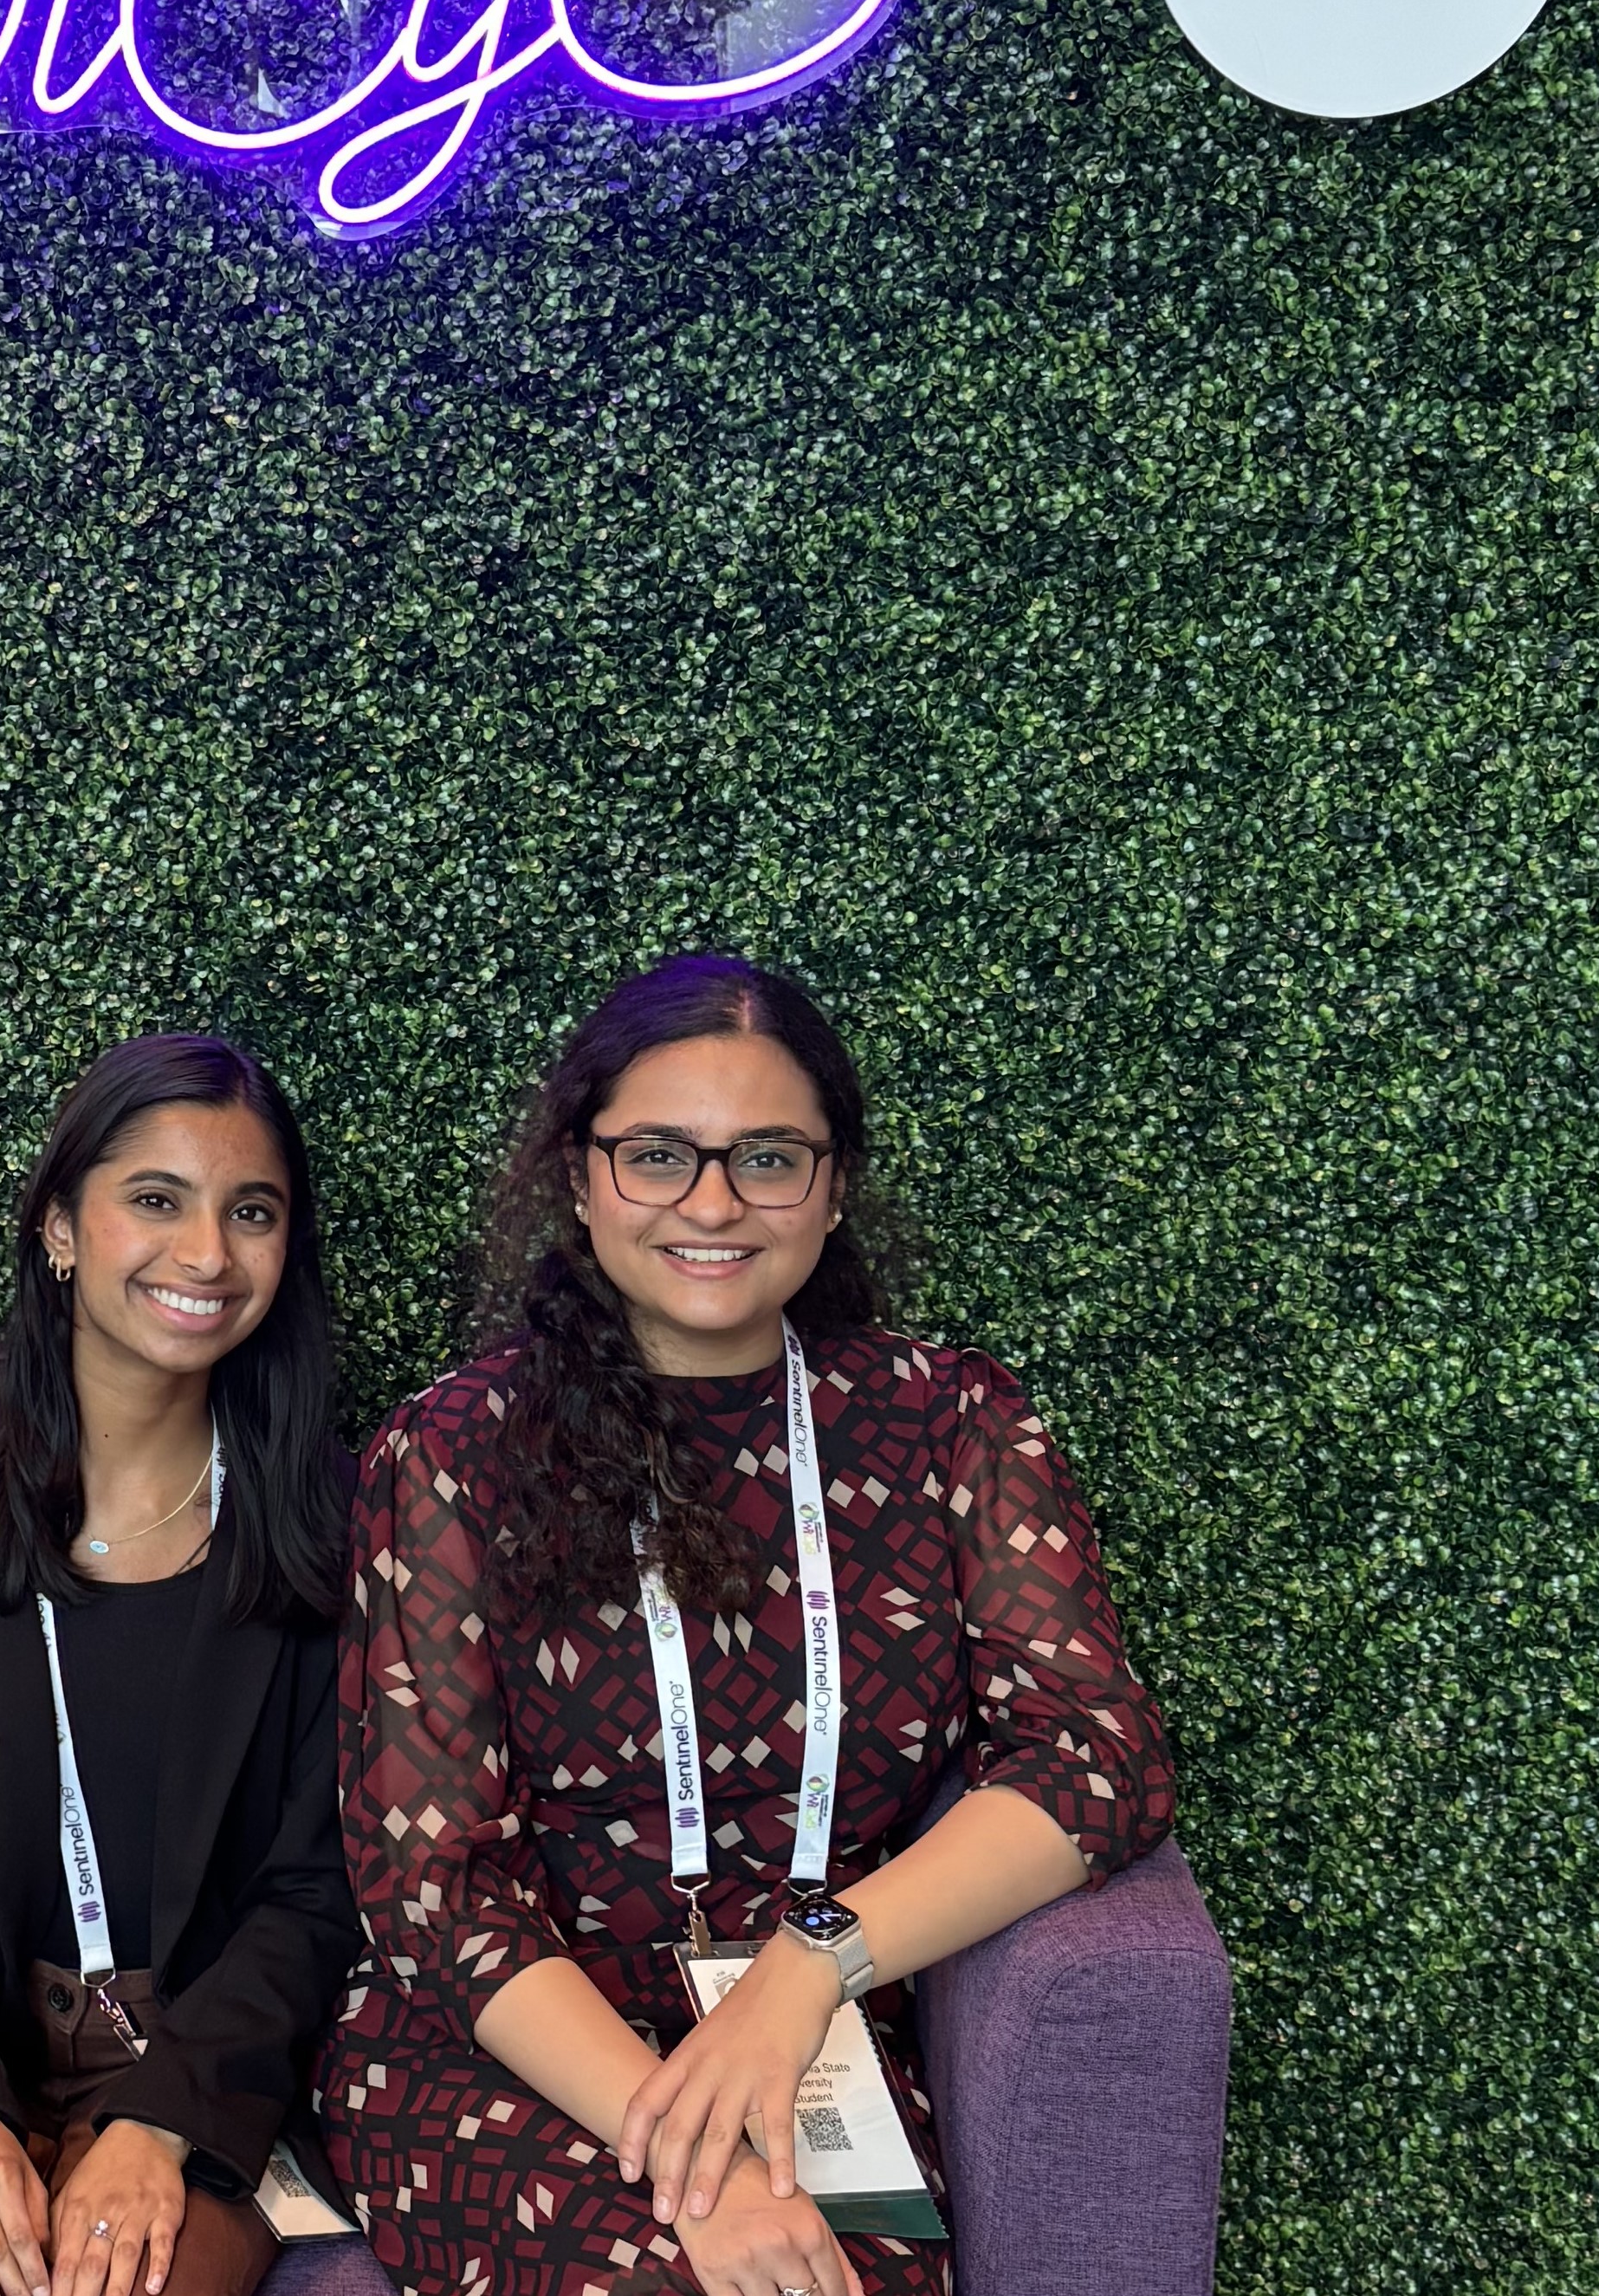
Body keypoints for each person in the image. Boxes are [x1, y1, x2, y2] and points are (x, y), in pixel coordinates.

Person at [323, 954, 1179, 2296]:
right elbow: (432, 1882)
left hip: (811, 2037)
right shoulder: (453, 1451)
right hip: (512, 2050)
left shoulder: (951, 1424)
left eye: (769, 1159)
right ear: (582, 1177)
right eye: (659, 1154)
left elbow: (1097, 1758)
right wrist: (687, 2158)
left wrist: (808, 1970)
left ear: (833, 1189)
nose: (713, 1204)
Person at [0, 1035, 362, 2296]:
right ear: (61, 1226)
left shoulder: (326, 1515)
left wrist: (158, 2126)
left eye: (253, 1212)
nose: (208, 1254)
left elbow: (313, 1894)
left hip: (198, 2087)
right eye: (156, 1201)